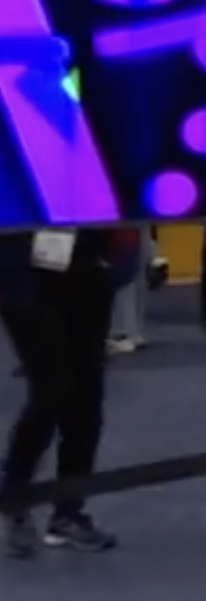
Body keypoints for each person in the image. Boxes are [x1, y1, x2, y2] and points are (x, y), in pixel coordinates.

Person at [0, 227, 124, 557]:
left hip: (89, 266)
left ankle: (68, 512)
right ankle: (14, 496)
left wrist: (114, 261)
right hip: (23, 272)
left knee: (87, 395)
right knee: (51, 390)